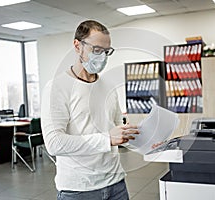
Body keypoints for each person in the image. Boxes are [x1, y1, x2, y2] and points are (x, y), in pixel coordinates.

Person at [41, 20, 139, 200]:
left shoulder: (108, 85)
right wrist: (107, 138)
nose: (102, 56)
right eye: (96, 50)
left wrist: (146, 143)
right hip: (79, 189)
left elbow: (118, 129)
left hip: (116, 183)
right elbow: (54, 143)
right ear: (77, 46)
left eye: (106, 51)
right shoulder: (57, 87)